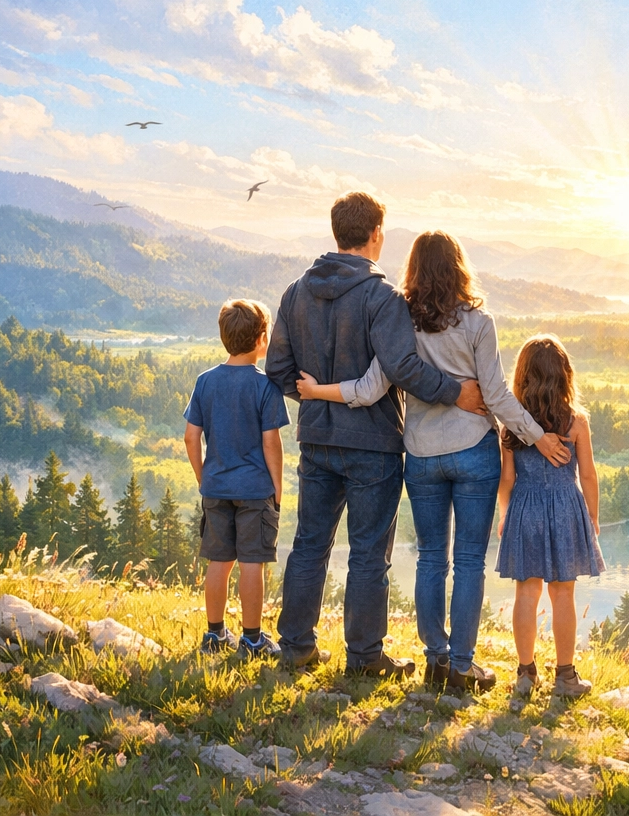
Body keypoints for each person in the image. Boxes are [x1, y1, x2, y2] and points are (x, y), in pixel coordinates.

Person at [295, 230, 571, 693]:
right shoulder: (479, 322)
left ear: (414, 271)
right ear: (459, 266)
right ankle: (462, 668)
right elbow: (498, 396)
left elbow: (371, 386)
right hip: (474, 455)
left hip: (421, 455)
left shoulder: (401, 318)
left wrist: (318, 391)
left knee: (429, 560)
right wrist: (539, 437)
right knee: (467, 562)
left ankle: (434, 661)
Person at [265, 192, 488, 677]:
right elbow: (403, 367)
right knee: (368, 553)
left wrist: (317, 398)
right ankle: (364, 658)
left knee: (309, 544)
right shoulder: (380, 296)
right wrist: (457, 393)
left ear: (336, 232)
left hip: (317, 440)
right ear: (374, 234)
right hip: (373, 444)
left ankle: (296, 647)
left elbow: (278, 368)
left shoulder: (295, 292)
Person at [495, 335, 604, 703]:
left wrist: (505, 513)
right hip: (565, 510)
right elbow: (587, 475)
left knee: (526, 592)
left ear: (522, 376)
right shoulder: (576, 423)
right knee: (563, 594)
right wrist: (591, 516)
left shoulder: (512, 425)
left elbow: (506, 478)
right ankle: (566, 675)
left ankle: (525, 674)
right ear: (565, 376)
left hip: (524, 508)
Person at [184, 298, 288, 659]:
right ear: (262, 339)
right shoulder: (265, 387)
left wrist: (203, 477)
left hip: (216, 487)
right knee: (251, 564)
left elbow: (190, 436)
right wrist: (277, 488)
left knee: (219, 562)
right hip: (255, 490)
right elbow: (271, 442)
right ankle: (253, 639)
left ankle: (214, 635)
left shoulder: (205, 381)